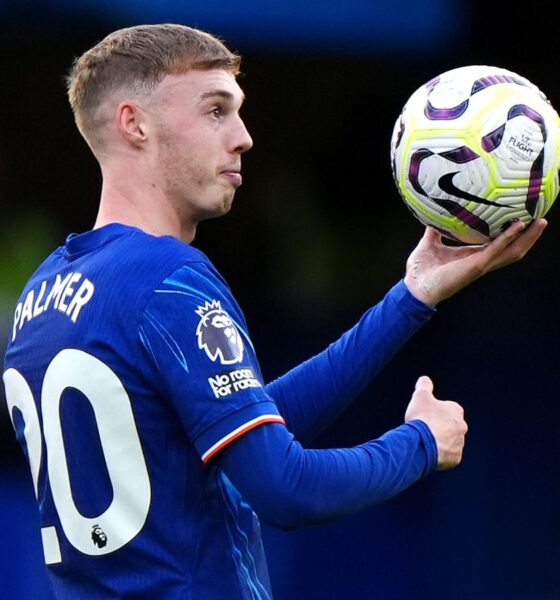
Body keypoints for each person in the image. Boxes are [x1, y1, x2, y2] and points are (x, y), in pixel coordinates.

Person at [2, 23, 546, 600]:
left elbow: (241, 429)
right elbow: (287, 488)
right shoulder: (168, 281)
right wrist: (420, 443)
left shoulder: (42, 291)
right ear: (134, 124)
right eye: (216, 111)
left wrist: (412, 297)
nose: (244, 137)